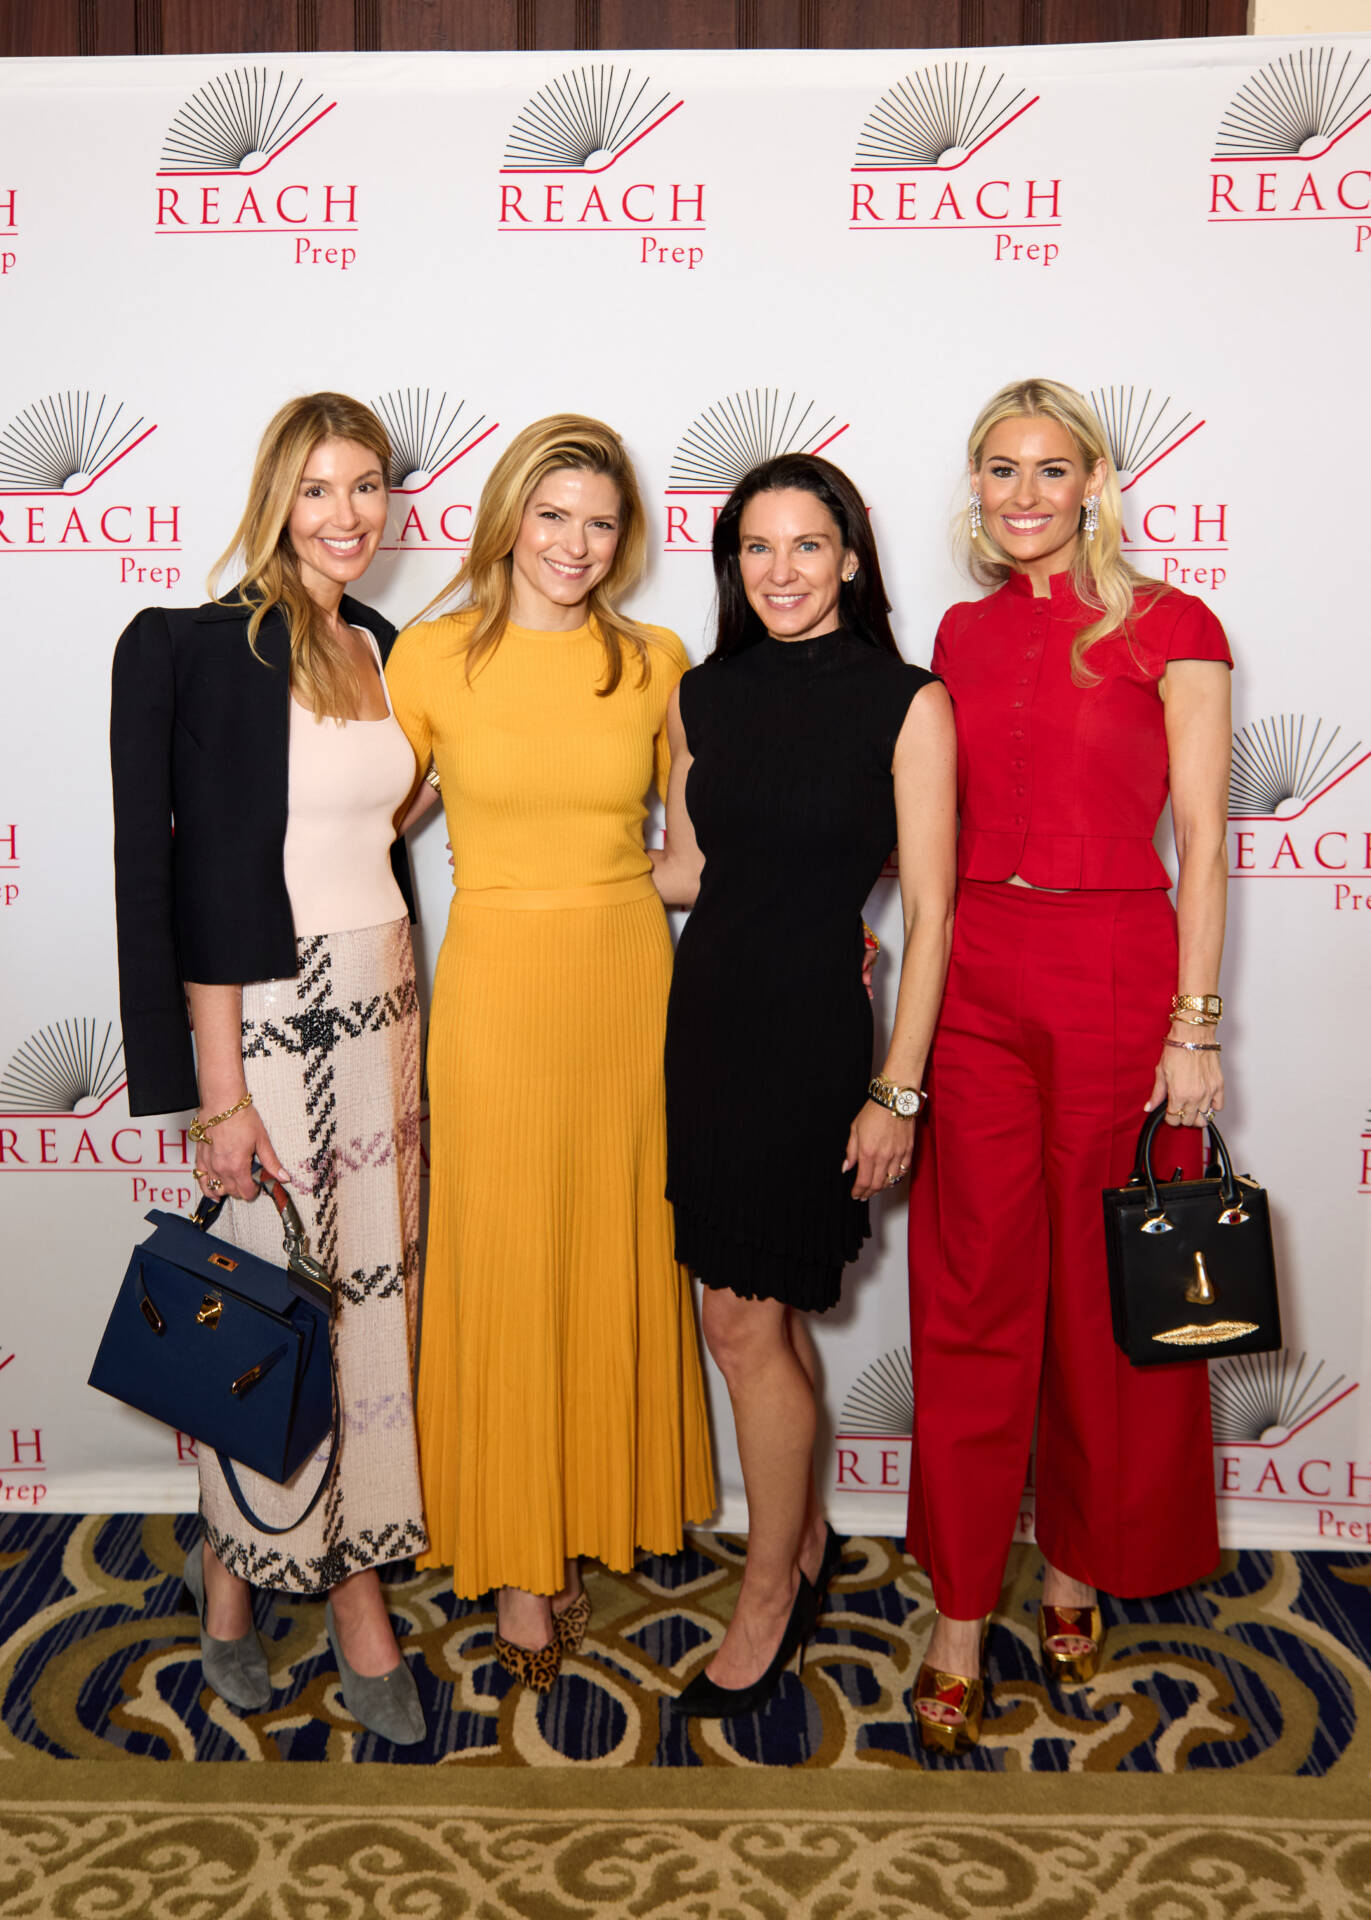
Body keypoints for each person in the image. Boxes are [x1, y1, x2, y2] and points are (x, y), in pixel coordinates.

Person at [904, 377, 1232, 1755]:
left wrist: (1193, 1025)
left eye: (1050, 468)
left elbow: (1203, 839)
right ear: (976, 486)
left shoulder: (1174, 626)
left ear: (1094, 480)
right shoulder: (958, 634)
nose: (1024, 493)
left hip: (1114, 976)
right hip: (977, 976)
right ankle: (959, 1610)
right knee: (972, 1295)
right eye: (1000, 467)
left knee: (1104, 1300)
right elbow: (924, 822)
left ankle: (1078, 1563)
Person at [110, 392, 428, 1745]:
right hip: (274, 1017)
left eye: (366, 486)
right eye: (317, 488)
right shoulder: (202, 649)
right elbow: (187, 883)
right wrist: (220, 1094)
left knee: (369, 1318)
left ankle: (249, 1568)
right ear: (274, 500)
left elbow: (371, 820)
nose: (347, 515)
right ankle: (331, 1594)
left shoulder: (380, 642)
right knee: (271, 1310)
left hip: (389, 1006)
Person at [385, 415, 715, 1690]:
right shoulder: (429, 656)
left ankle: (591, 1504)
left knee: (610, 1241)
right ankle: (523, 1555)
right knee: (509, 1253)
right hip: (496, 987)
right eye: (554, 514)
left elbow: (688, 858)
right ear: (509, 518)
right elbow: (370, 818)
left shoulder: (655, 660)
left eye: (601, 522)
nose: (576, 544)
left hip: (626, 980)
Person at [653, 453, 957, 1717]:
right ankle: (807, 1535)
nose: (781, 571)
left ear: (850, 559)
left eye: (807, 545)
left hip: (815, 1040)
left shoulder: (909, 701)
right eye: (757, 548)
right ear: (735, 563)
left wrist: (897, 1090)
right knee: (754, 1321)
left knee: (740, 1322)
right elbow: (687, 872)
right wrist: (535, 851)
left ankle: (771, 1589)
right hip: (708, 1028)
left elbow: (932, 913)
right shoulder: (700, 693)